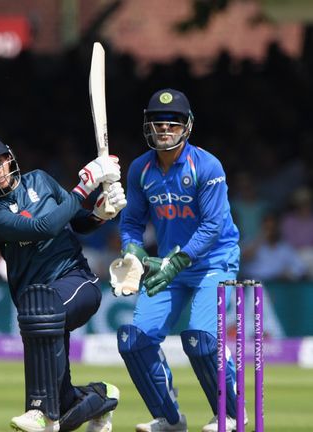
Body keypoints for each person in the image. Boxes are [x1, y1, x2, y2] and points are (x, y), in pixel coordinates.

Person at [0, 134, 125, 432]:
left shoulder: (39, 180)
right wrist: (84, 186)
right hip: (38, 306)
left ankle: (38, 410)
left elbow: (76, 220)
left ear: (9, 158)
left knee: (40, 308)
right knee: (64, 409)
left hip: (76, 280)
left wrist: (99, 215)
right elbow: (44, 227)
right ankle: (101, 397)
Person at [114, 89, 241, 431]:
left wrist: (178, 261)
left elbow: (213, 225)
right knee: (133, 340)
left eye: (173, 122)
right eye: (159, 122)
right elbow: (131, 222)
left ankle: (231, 414)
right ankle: (169, 419)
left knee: (201, 338)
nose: (165, 129)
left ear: (187, 126)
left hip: (213, 261)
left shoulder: (207, 166)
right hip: (169, 265)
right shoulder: (141, 169)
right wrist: (132, 251)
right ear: (149, 125)